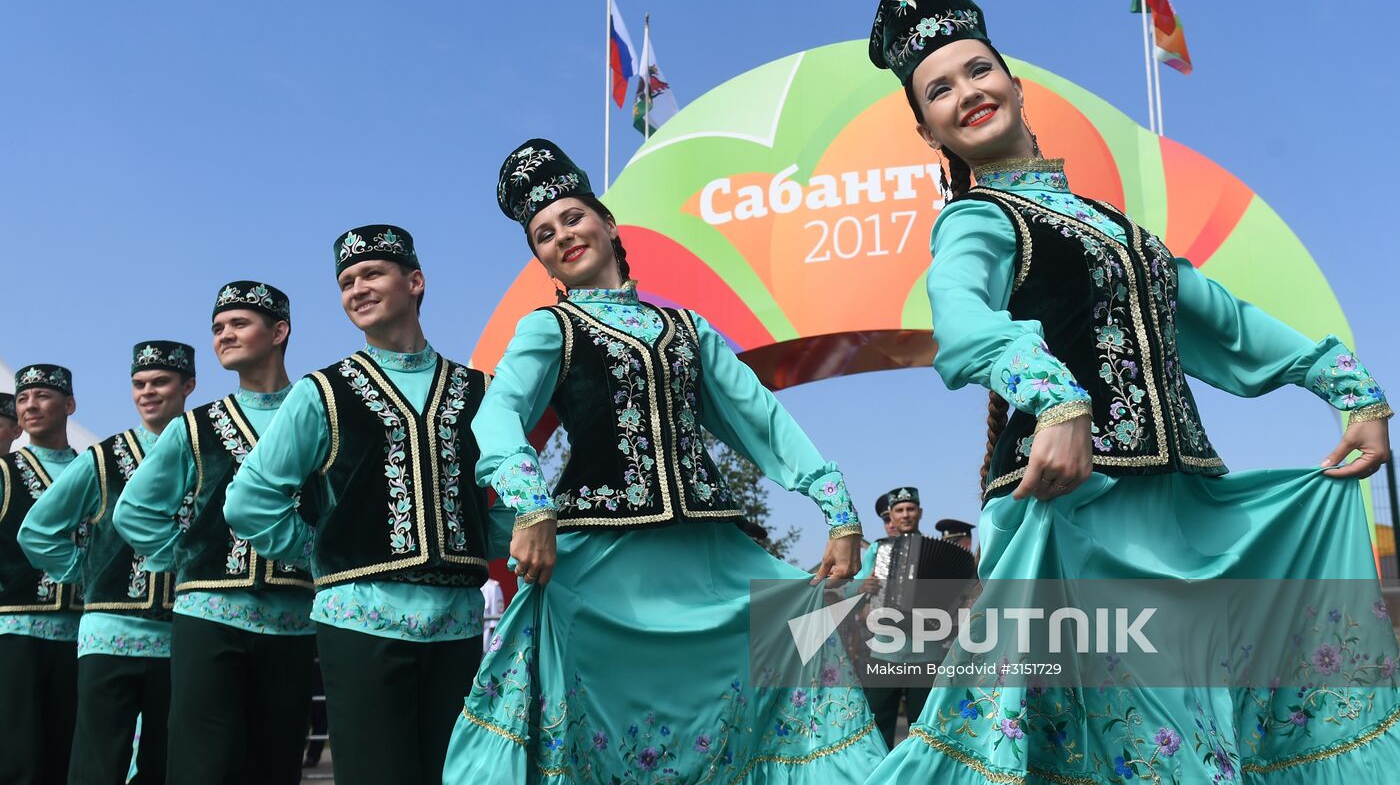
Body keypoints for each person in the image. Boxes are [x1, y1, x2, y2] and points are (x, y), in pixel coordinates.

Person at [863, 0, 1398, 781]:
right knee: (1159, 750)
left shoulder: (1119, 228)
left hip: (1183, 513)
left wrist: (1344, 384)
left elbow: (1223, 318)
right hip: (1078, 521)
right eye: (939, 90)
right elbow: (964, 322)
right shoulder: (977, 219)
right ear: (929, 132)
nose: (967, 91)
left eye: (978, 69)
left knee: (1204, 733)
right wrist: (1055, 397)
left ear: (1014, 83)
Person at [442, 140, 887, 782]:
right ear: (542, 259)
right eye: (544, 234)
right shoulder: (550, 329)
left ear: (609, 224)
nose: (563, 235)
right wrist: (530, 503)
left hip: (707, 556)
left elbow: (759, 421)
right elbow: (496, 414)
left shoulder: (687, 330)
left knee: (799, 625)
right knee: (604, 726)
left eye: (573, 218)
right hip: (602, 568)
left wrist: (837, 509)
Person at [224, 229, 502, 785]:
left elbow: (501, 503)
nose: (357, 289)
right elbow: (250, 500)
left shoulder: (481, 390)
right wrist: (319, 550)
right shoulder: (322, 392)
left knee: (457, 775)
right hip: (360, 622)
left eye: (372, 274)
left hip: (456, 623)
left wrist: (489, 540)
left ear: (415, 282)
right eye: (346, 282)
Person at [113, 282, 316, 785]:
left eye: (238, 324)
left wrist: (313, 555)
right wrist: (187, 556)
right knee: (201, 766)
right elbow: (134, 511)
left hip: (294, 619)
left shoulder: (320, 410)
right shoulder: (196, 427)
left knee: (276, 765)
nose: (224, 335)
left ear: (279, 331)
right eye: (217, 328)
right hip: (209, 618)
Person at [21, 342, 195, 783]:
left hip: (182, 632)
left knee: (166, 760)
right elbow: (38, 529)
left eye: (160, 382)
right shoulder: (104, 459)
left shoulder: (203, 452)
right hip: (109, 635)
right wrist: (86, 570)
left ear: (188, 386)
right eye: (139, 384)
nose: (148, 392)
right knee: (97, 762)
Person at [0, 364, 82, 784]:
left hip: (81, 636)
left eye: (43, 396)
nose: (30, 405)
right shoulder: (4, 472)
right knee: (17, 757)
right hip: (15, 635)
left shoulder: (96, 469)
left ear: (69, 404)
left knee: (69, 756)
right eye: (23, 398)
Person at [852, 487, 935, 748]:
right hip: (886, 653)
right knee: (876, 726)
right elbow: (852, 591)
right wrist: (861, 588)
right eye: (899, 510)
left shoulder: (935, 550)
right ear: (892, 515)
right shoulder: (878, 550)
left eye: (910, 509)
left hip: (927, 653)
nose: (906, 514)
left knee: (925, 731)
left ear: (920, 512)